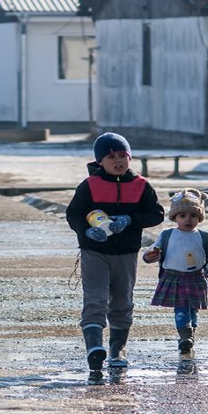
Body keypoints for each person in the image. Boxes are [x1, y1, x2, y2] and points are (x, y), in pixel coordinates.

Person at [65, 132, 164, 375]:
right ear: (100, 161)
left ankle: (117, 350)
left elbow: (157, 214)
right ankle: (94, 348)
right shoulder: (89, 185)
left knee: (122, 301)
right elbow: (73, 215)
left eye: (123, 155)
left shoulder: (141, 185)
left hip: (126, 253)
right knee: (96, 299)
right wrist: (87, 232)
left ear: (130, 158)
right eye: (111, 157)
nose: (118, 161)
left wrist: (130, 219)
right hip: (94, 252)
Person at [142, 188, 208, 355]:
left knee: (193, 309)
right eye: (182, 216)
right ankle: (185, 336)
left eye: (193, 216)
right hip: (174, 277)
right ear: (175, 218)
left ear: (200, 217)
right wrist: (150, 256)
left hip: (197, 277)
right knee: (181, 309)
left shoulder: (204, 237)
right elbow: (153, 252)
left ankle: (190, 333)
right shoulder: (167, 235)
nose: (188, 219)